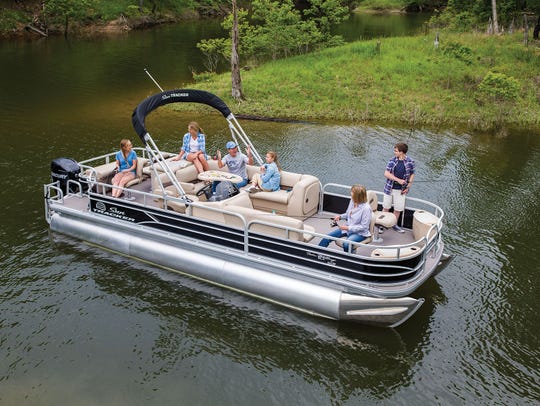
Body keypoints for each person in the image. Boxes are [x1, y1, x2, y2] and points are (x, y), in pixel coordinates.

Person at [319, 185, 372, 253]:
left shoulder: (366, 209)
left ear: (357, 196)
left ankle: (349, 258)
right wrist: (340, 217)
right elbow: (348, 214)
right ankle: (317, 253)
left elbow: (364, 227)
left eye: (352, 193)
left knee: (346, 244)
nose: (351, 194)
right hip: (347, 229)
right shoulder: (352, 201)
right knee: (327, 237)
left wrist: (348, 228)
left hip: (360, 233)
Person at [382, 142, 415, 233]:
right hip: (389, 188)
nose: (394, 152)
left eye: (396, 151)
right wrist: (398, 180)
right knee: (386, 207)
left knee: (398, 209)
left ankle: (394, 225)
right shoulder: (392, 160)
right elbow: (386, 173)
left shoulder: (410, 161)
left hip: (401, 190)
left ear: (401, 152)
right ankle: (382, 224)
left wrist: (408, 185)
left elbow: (412, 173)